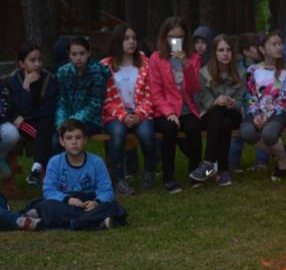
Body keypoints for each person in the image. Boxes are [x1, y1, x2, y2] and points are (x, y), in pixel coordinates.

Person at [27, 119, 127, 230]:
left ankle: (72, 223)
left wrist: (96, 202)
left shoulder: (97, 162)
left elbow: (106, 190)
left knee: (113, 207)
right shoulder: (55, 162)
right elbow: (49, 190)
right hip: (65, 202)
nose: (74, 142)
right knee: (45, 206)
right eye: (69, 138)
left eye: (78, 138)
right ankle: (94, 222)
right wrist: (68, 200)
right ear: (61, 141)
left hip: (90, 200)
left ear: (85, 140)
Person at [100, 24, 157, 196]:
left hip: (141, 113)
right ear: (118, 41)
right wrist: (123, 115)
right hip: (115, 114)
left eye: (134, 38)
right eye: (126, 38)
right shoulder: (105, 66)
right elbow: (105, 98)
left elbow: (150, 94)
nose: (131, 42)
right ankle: (119, 179)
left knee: (147, 135)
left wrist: (139, 114)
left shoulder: (146, 64)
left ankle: (149, 172)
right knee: (117, 136)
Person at [149, 16, 203, 193]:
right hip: (164, 110)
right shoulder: (156, 58)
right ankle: (169, 177)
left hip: (186, 107)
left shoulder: (193, 57)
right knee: (170, 129)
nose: (176, 41)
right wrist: (168, 112)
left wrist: (186, 64)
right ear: (165, 37)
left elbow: (195, 88)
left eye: (180, 37)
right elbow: (155, 92)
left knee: (194, 127)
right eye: (172, 36)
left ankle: (195, 173)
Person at [240, 31, 286, 181]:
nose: (279, 47)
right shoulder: (253, 71)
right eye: (274, 44)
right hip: (259, 111)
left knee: (269, 134)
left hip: (281, 111)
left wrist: (267, 115)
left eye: (280, 44)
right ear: (262, 49)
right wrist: (256, 114)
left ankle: (283, 163)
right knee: (246, 131)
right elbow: (251, 96)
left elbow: (285, 97)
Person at [191, 34, 246, 187]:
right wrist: (215, 101)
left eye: (228, 50)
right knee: (221, 117)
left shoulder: (240, 73)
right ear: (214, 53)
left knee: (225, 116)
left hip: (232, 113)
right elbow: (202, 99)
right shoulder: (204, 73)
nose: (225, 53)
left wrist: (232, 102)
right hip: (210, 115)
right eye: (221, 50)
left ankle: (208, 163)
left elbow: (241, 100)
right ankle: (223, 170)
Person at [6, 43, 58, 186]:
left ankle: (37, 170)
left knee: (46, 121)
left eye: (39, 60)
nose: (38, 64)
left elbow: (49, 108)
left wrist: (26, 116)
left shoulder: (49, 79)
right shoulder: (13, 80)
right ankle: (43, 175)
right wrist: (26, 86)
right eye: (32, 60)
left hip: (42, 122)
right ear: (22, 63)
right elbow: (17, 109)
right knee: (45, 135)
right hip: (24, 126)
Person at [230, 32, 269, 171]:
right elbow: (237, 89)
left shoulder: (264, 66)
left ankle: (261, 161)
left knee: (261, 125)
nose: (260, 48)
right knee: (237, 132)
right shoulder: (236, 68)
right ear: (246, 51)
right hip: (242, 104)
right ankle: (232, 163)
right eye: (256, 46)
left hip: (261, 104)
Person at [55, 36, 108, 136]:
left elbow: (95, 104)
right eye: (74, 54)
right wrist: (61, 121)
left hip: (91, 120)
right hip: (67, 118)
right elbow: (61, 100)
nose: (78, 58)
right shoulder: (63, 72)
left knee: (73, 135)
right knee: (55, 140)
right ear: (69, 55)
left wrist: (73, 121)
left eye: (82, 53)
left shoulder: (97, 72)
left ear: (89, 53)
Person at [0, 78, 17, 179]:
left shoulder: (4, 87)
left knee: (12, 133)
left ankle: (1, 157)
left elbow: (11, 105)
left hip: (3, 121)